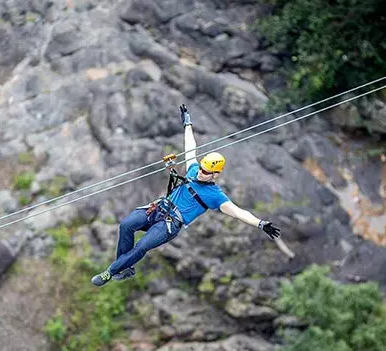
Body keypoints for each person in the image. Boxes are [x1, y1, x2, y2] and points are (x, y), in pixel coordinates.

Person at [91, 104, 282, 287]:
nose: (201, 172)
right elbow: (191, 147)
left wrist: (260, 223)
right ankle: (125, 268)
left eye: (206, 172)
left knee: (142, 246)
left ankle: (109, 272)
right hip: (158, 209)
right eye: (202, 168)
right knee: (126, 225)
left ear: (215, 175)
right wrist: (187, 123)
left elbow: (238, 212)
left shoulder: (215, 195)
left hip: (169, 224)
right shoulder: (193, 169)